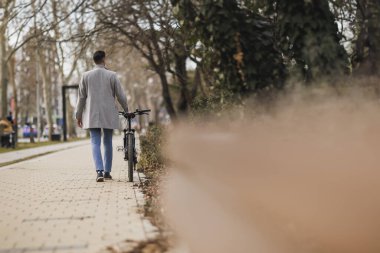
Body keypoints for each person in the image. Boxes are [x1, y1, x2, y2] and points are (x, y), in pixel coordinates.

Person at [75, 51, 130, 182]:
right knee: (107, 142)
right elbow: (120, 95)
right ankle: (107, 172)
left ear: (94, 61)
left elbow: (81, 98)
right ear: (104, 59)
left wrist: (78, 115)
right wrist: (126, 109)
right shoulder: (112, 75)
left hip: (91, 113)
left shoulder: (85, 76)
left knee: (95, 141)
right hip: (108, 113)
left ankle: (99, 171)